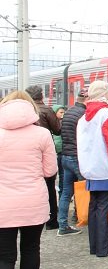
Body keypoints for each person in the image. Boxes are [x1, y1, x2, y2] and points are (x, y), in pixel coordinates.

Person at [0, 91, 58, 269]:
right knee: (31, 249)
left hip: (3, 204)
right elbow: (50, 171)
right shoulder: (42, 134)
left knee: (4, 255)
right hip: (33, 202)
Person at [77, 81, 108, 257]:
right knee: (103, 208)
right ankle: (104, 247)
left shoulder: (83, 118)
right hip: (104, 168)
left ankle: (95, 247)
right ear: (103, 94)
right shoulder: (107, 114)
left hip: (90, 168)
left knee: (94, 206)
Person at [25, 85, 61, 230]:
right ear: (41, 96)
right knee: (50, 186)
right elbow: (57, 130)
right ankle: (52, 220)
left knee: (31, 184)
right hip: (45, 151)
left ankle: (32, 217)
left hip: (28, 152)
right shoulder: (46, 110)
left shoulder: (25, 110)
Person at [57, 88, 88, 236]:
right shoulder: (83, 115)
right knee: (87, 190)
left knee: (66, 193)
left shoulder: (68, 112)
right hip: (78, 157)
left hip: (66, 156)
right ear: (87, 100)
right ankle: (85, 219)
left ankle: (62, 225)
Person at [52, 105, 66, 197]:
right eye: (61, 112)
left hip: (61, 153)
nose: (63, 114)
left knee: (62, 176)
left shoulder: (63, 122)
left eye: (63, 112)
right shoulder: (53, 124)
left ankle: (61, 195)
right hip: (56, 153)